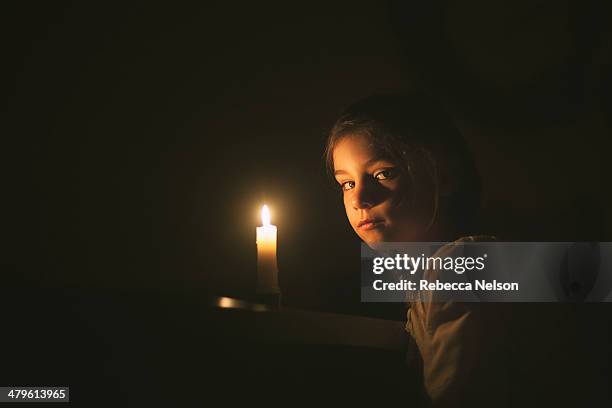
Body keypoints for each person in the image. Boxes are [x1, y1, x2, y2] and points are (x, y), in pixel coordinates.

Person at [323, 92, 584, 407]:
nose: (358, 198)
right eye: (347, 183)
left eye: (384, 174)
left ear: (444, 175)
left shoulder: (461, 266)